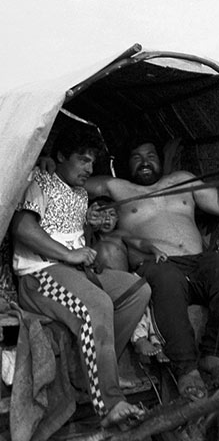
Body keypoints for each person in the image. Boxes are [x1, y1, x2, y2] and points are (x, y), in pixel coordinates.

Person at [85, 136, 219, 401]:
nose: (145, 162)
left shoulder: (182, 179)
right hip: (156, 264)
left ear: (161, 160)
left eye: (150, 155)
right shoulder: (117, 187)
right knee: (167, 277)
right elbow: (76, 183)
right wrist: (50, 165)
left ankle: (212, 352)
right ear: (127, 164)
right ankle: (186, 370)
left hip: (199, 261)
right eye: (137, 157)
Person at [11, 128, 150, 428]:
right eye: (83, 160)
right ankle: (110, 404)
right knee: (98, 304)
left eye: (92, 162)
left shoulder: (82, 194)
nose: (89, 168)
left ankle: (86, 372)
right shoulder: (39, 180)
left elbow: (72, 234)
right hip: (40, 275)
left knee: (137, 289)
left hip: (74, 274)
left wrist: (88, 240)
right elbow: (22, 227)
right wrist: (69, 254)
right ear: (60, 156)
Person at [87, 196, 169, 363]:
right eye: (102, 215)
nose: (107, 219)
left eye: (111, 214)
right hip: (105, 285)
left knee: (146, 301)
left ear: (118, 218)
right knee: (132, 305)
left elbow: (139, 242)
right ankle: (139, 339)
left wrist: (154, 250)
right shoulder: (89, 238)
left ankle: (156, 342)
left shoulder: (120, 234)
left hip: (127, 281)